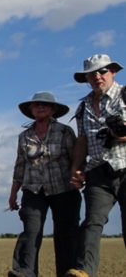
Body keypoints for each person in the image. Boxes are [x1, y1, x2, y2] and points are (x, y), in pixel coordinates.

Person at [7, 92, 81, 277]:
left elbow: (76, 159)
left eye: (45, 105)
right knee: (31, 231)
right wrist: (13, 194)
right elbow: (20, 166)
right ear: (30, 110)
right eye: (36, 105)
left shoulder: (64, 131)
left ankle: (67, 273)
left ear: (53, 109)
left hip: (63, 189)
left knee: (65, 234)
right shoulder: (24, 136)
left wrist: (78, 176)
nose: (40, 107)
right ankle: (25, 271)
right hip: (33, 189)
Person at [65, 54, 126, 277]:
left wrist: (121, 134)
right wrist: (76, 170)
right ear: (87, 79)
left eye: (102, 71)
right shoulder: (83, 107)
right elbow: (82, 140)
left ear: (113, 72)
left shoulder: (125, 94)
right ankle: (84, 271)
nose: (97, 77)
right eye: (92, 74)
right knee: (91, 222)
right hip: (98, 170)